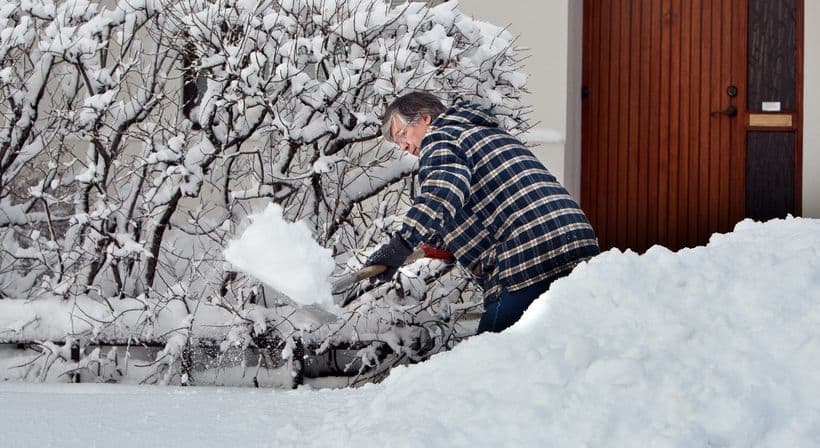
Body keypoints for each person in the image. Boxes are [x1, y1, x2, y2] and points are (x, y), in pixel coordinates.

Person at [364, 91, 599, 333]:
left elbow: (442, 192)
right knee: (559, 346)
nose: (403, 146)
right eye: (398, 142)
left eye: (402, 134)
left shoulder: (440, 138)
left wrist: (401, 244)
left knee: (491, 352)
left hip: (526, 255)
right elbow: (484, 204)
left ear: (425, 118)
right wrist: (435, 244)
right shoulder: (486, 134)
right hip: (577, 242)